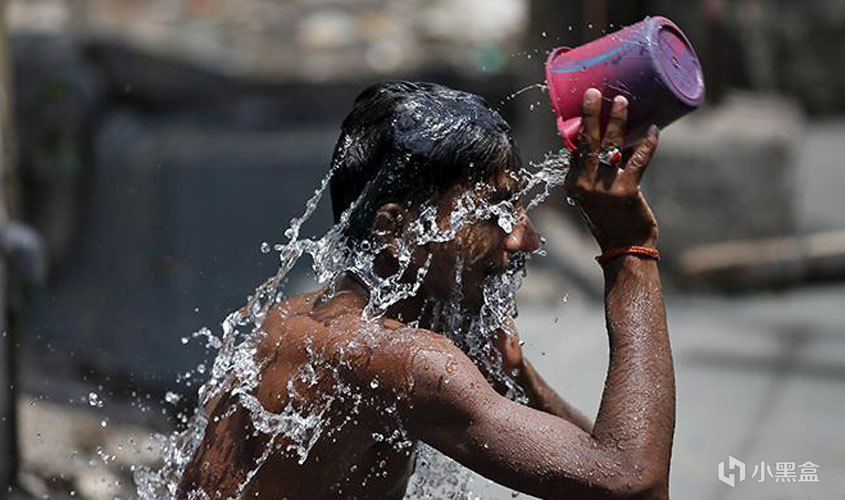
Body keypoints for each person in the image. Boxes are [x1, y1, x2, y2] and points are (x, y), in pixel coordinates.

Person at [177, 82, 674, 499]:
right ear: (397, 231)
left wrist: (518, 373)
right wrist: (631, 252)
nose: (526, 239)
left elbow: (602, 461)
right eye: (496, 213)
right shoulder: (391, 356)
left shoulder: (303, 318)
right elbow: (632, 483)